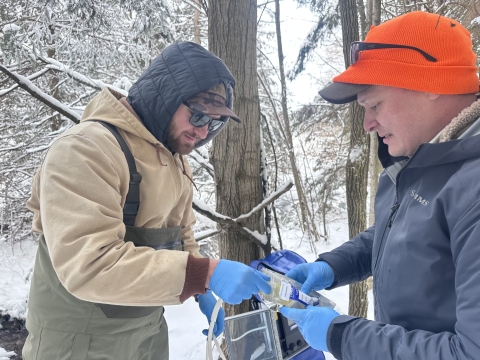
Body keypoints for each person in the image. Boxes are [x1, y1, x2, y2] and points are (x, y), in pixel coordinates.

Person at [22, 41, 271, 360]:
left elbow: (182, 235)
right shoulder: (86, 150)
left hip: (145, 335)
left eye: (215, 123)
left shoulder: (176, 159)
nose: (203, 131)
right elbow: (89, 264)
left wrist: (202, 287)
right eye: (198, 115)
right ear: (165, 97)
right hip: (77, 343)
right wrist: (202, 273)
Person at [279, 11, 480, 360]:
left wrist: (341, 336)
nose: (368, 124)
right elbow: (404, 231)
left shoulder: (472, 189)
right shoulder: (421, 159)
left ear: (431, 84)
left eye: (375, 104)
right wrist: (335, 265)